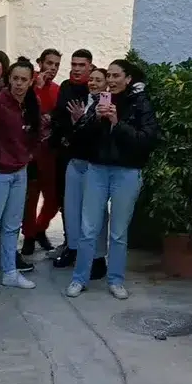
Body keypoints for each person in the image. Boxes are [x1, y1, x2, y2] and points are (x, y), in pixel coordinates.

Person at [66, 60, 159, 300]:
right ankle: (79, 279)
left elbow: (146, 140)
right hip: (96, 169)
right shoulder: (99, 100)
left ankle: (116, 280)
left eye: (117, 75)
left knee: (118, 232)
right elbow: (79, 137)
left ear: (128, 79)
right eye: (109, 75)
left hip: (126, 172)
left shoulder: (141, 104)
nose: (111, 80)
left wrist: (118, 124)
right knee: (88, 229)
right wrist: (95, 119)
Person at [0, 58, 41, 295]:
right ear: (8, 79)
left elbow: (35, 133)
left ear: (31, 81)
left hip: (19, 172)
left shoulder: (32, 104)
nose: (19, 84)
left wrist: (28, 154)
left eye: (24, 80)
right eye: (15, 78)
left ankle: (10, 272)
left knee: (13, 226)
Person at [54, 66, 110, 275]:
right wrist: (75, 124)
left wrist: (81, 123)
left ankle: (98, 257)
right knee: (72, 209)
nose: (93, 83)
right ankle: (75, 250)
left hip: (94, 165)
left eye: (98, 80)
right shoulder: (83, 101)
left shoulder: (105, 103)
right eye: (92, 79)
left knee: (96, 214)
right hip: (75, 161)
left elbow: (98, 133)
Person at [21, 48, 63, 256]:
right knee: (30, 198)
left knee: (53, 198)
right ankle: (28, 236)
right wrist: (35, 89)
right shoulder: (29, 85)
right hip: (30, 152)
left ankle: (39, 229)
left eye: (56, 65)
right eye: (49, 63)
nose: (52, 68)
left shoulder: (57, 89)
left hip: (50, 151)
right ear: (40, 63)